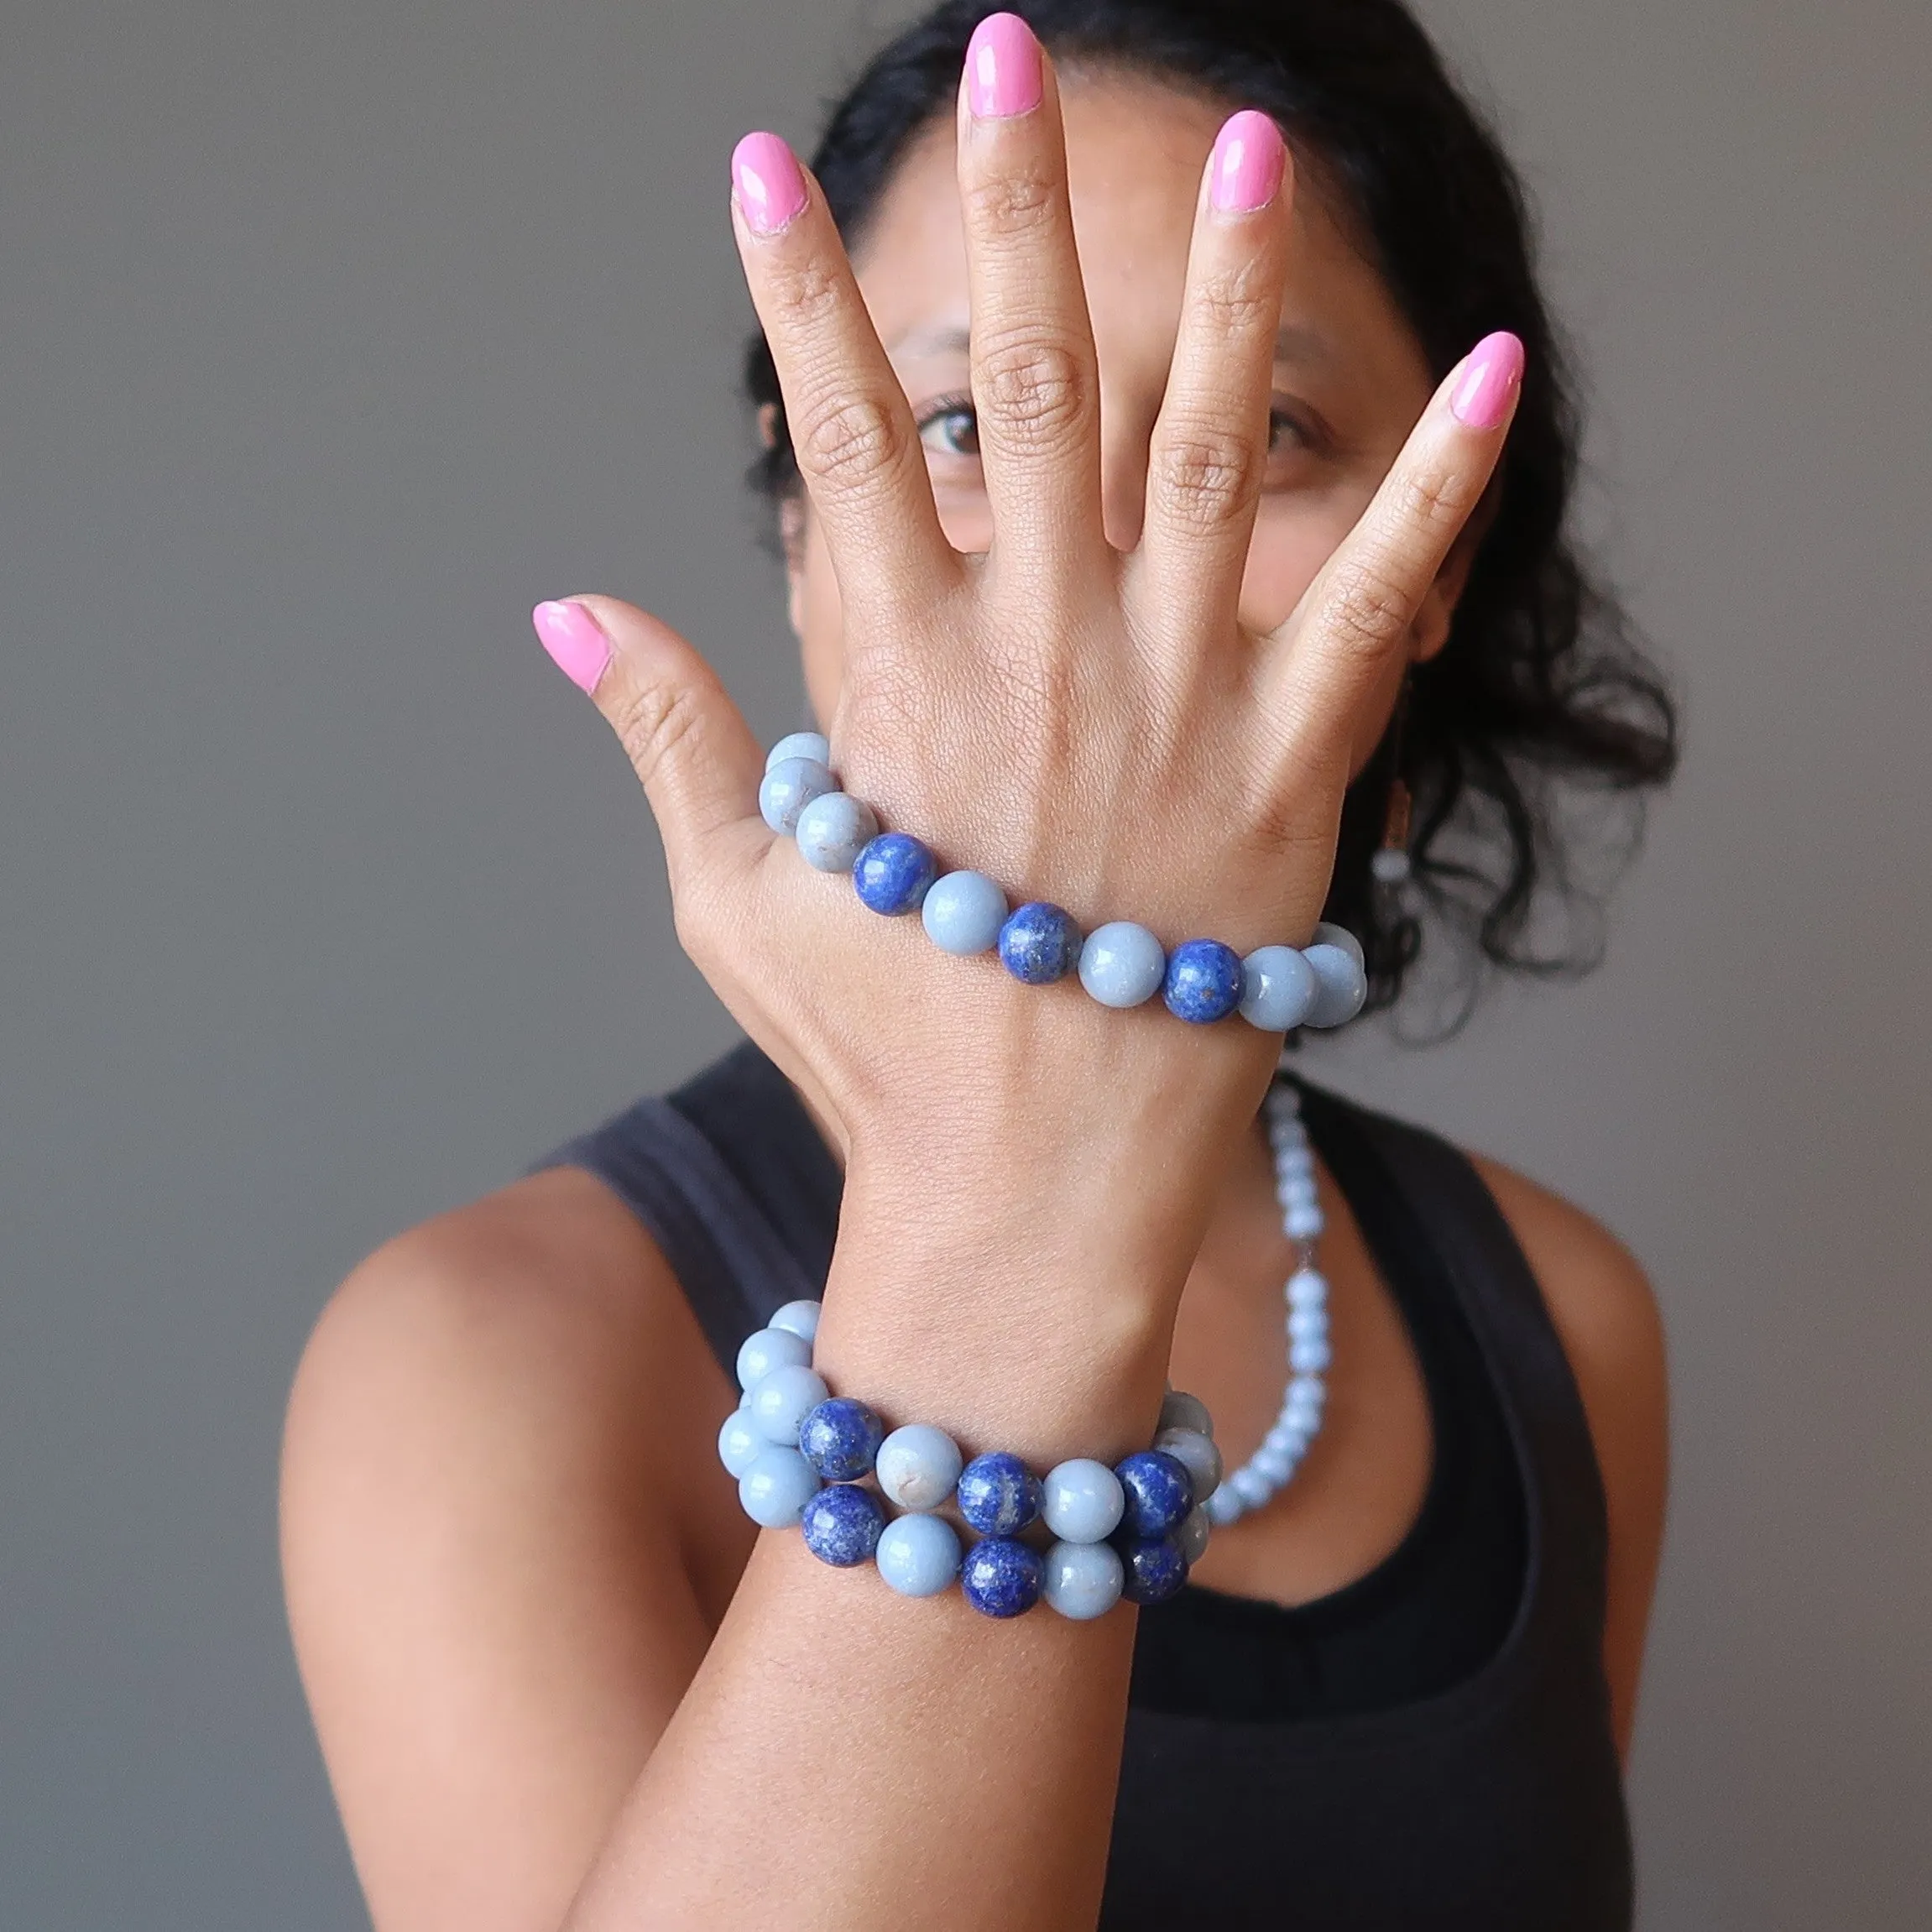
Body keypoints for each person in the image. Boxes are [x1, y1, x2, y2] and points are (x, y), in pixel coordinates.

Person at [280, 4, 1678, 1927]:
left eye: (1259, 429)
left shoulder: (1558, 1323)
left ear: (1427, 563)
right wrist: (1014, 1188)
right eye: (959, 426)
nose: (1084, 555)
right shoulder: (481, 1363)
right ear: (801, 525)